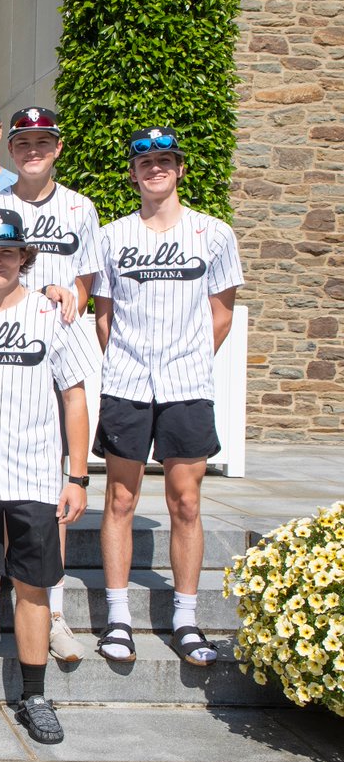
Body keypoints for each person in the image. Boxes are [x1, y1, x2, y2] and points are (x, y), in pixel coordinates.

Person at [0, 208, 98, 747]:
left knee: (33, 588)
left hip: (34, 475)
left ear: (24, 257)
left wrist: (77, 476)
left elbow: (75, 395)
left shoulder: (52, 313)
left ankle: (34, 694)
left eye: (6, 251)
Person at [91, 127, 243, 668]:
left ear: (179, 169)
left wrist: (190, 358)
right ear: (133, 173)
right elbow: (103, 316)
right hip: (127, 384)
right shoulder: (111, 237)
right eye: (144, 162)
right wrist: (128, 360)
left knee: (186, 501)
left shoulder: (215, 234)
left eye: (164, 161)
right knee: (120, 501)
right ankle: (116, 618)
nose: (154, 169)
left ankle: (185, 617)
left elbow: (220, 312)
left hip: (186, 386)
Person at [0, 106, 101, 663]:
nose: (32, 149)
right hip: (1, 339)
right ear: (11, 147)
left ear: (57, 147)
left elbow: (86, 282)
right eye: (24, 140)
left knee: (48, 485)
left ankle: (53, 609)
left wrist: (61, 297)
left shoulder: (80, 206)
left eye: (42, 141)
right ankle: (4, 597)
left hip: (54, 339)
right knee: (1, 475)